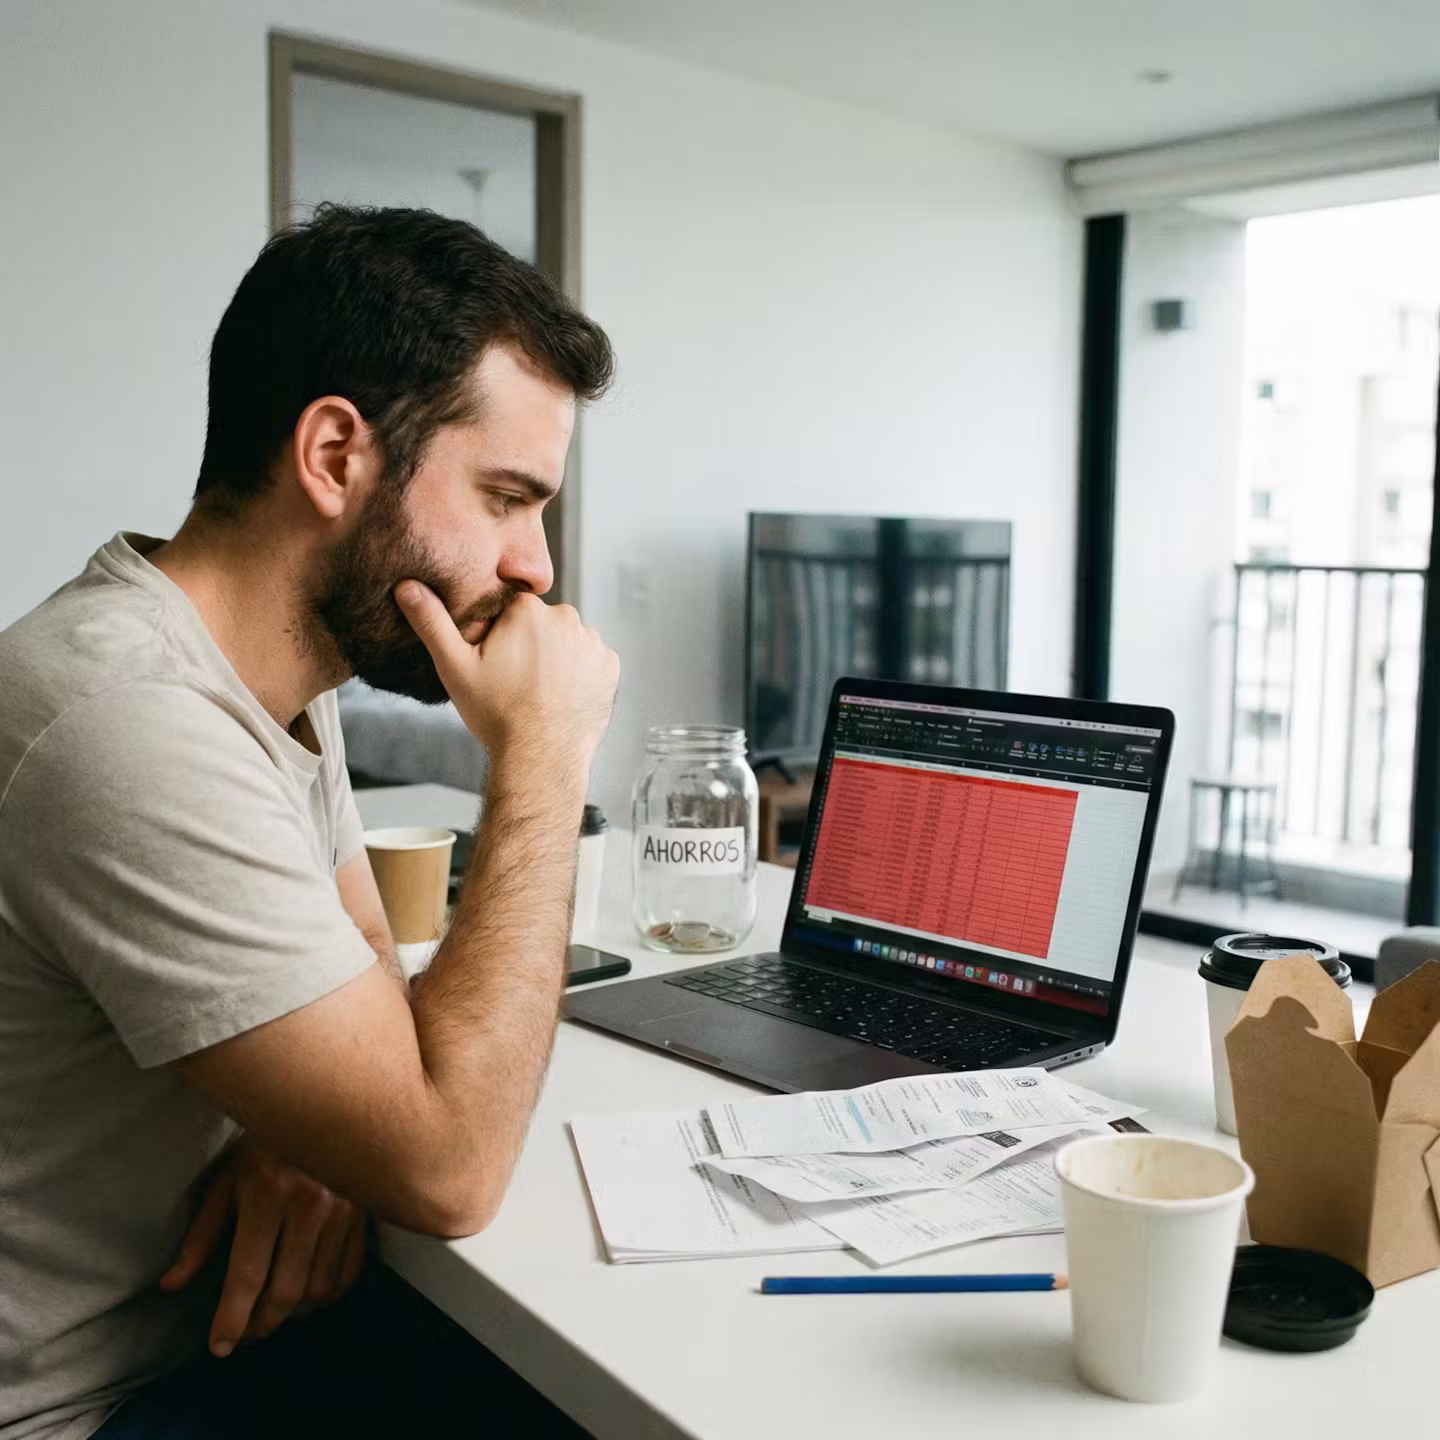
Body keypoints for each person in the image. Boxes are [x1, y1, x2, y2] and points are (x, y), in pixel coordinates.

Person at [0, 205, 620, 1439]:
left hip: (216, 1336)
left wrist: (316, 1131)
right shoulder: (127, 716)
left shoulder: (277, 675)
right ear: (335, 455)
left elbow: (383, 1035)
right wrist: (543, 761)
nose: (536, 566)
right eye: (507, 497)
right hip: (96, 1404)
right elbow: (446, 1163)